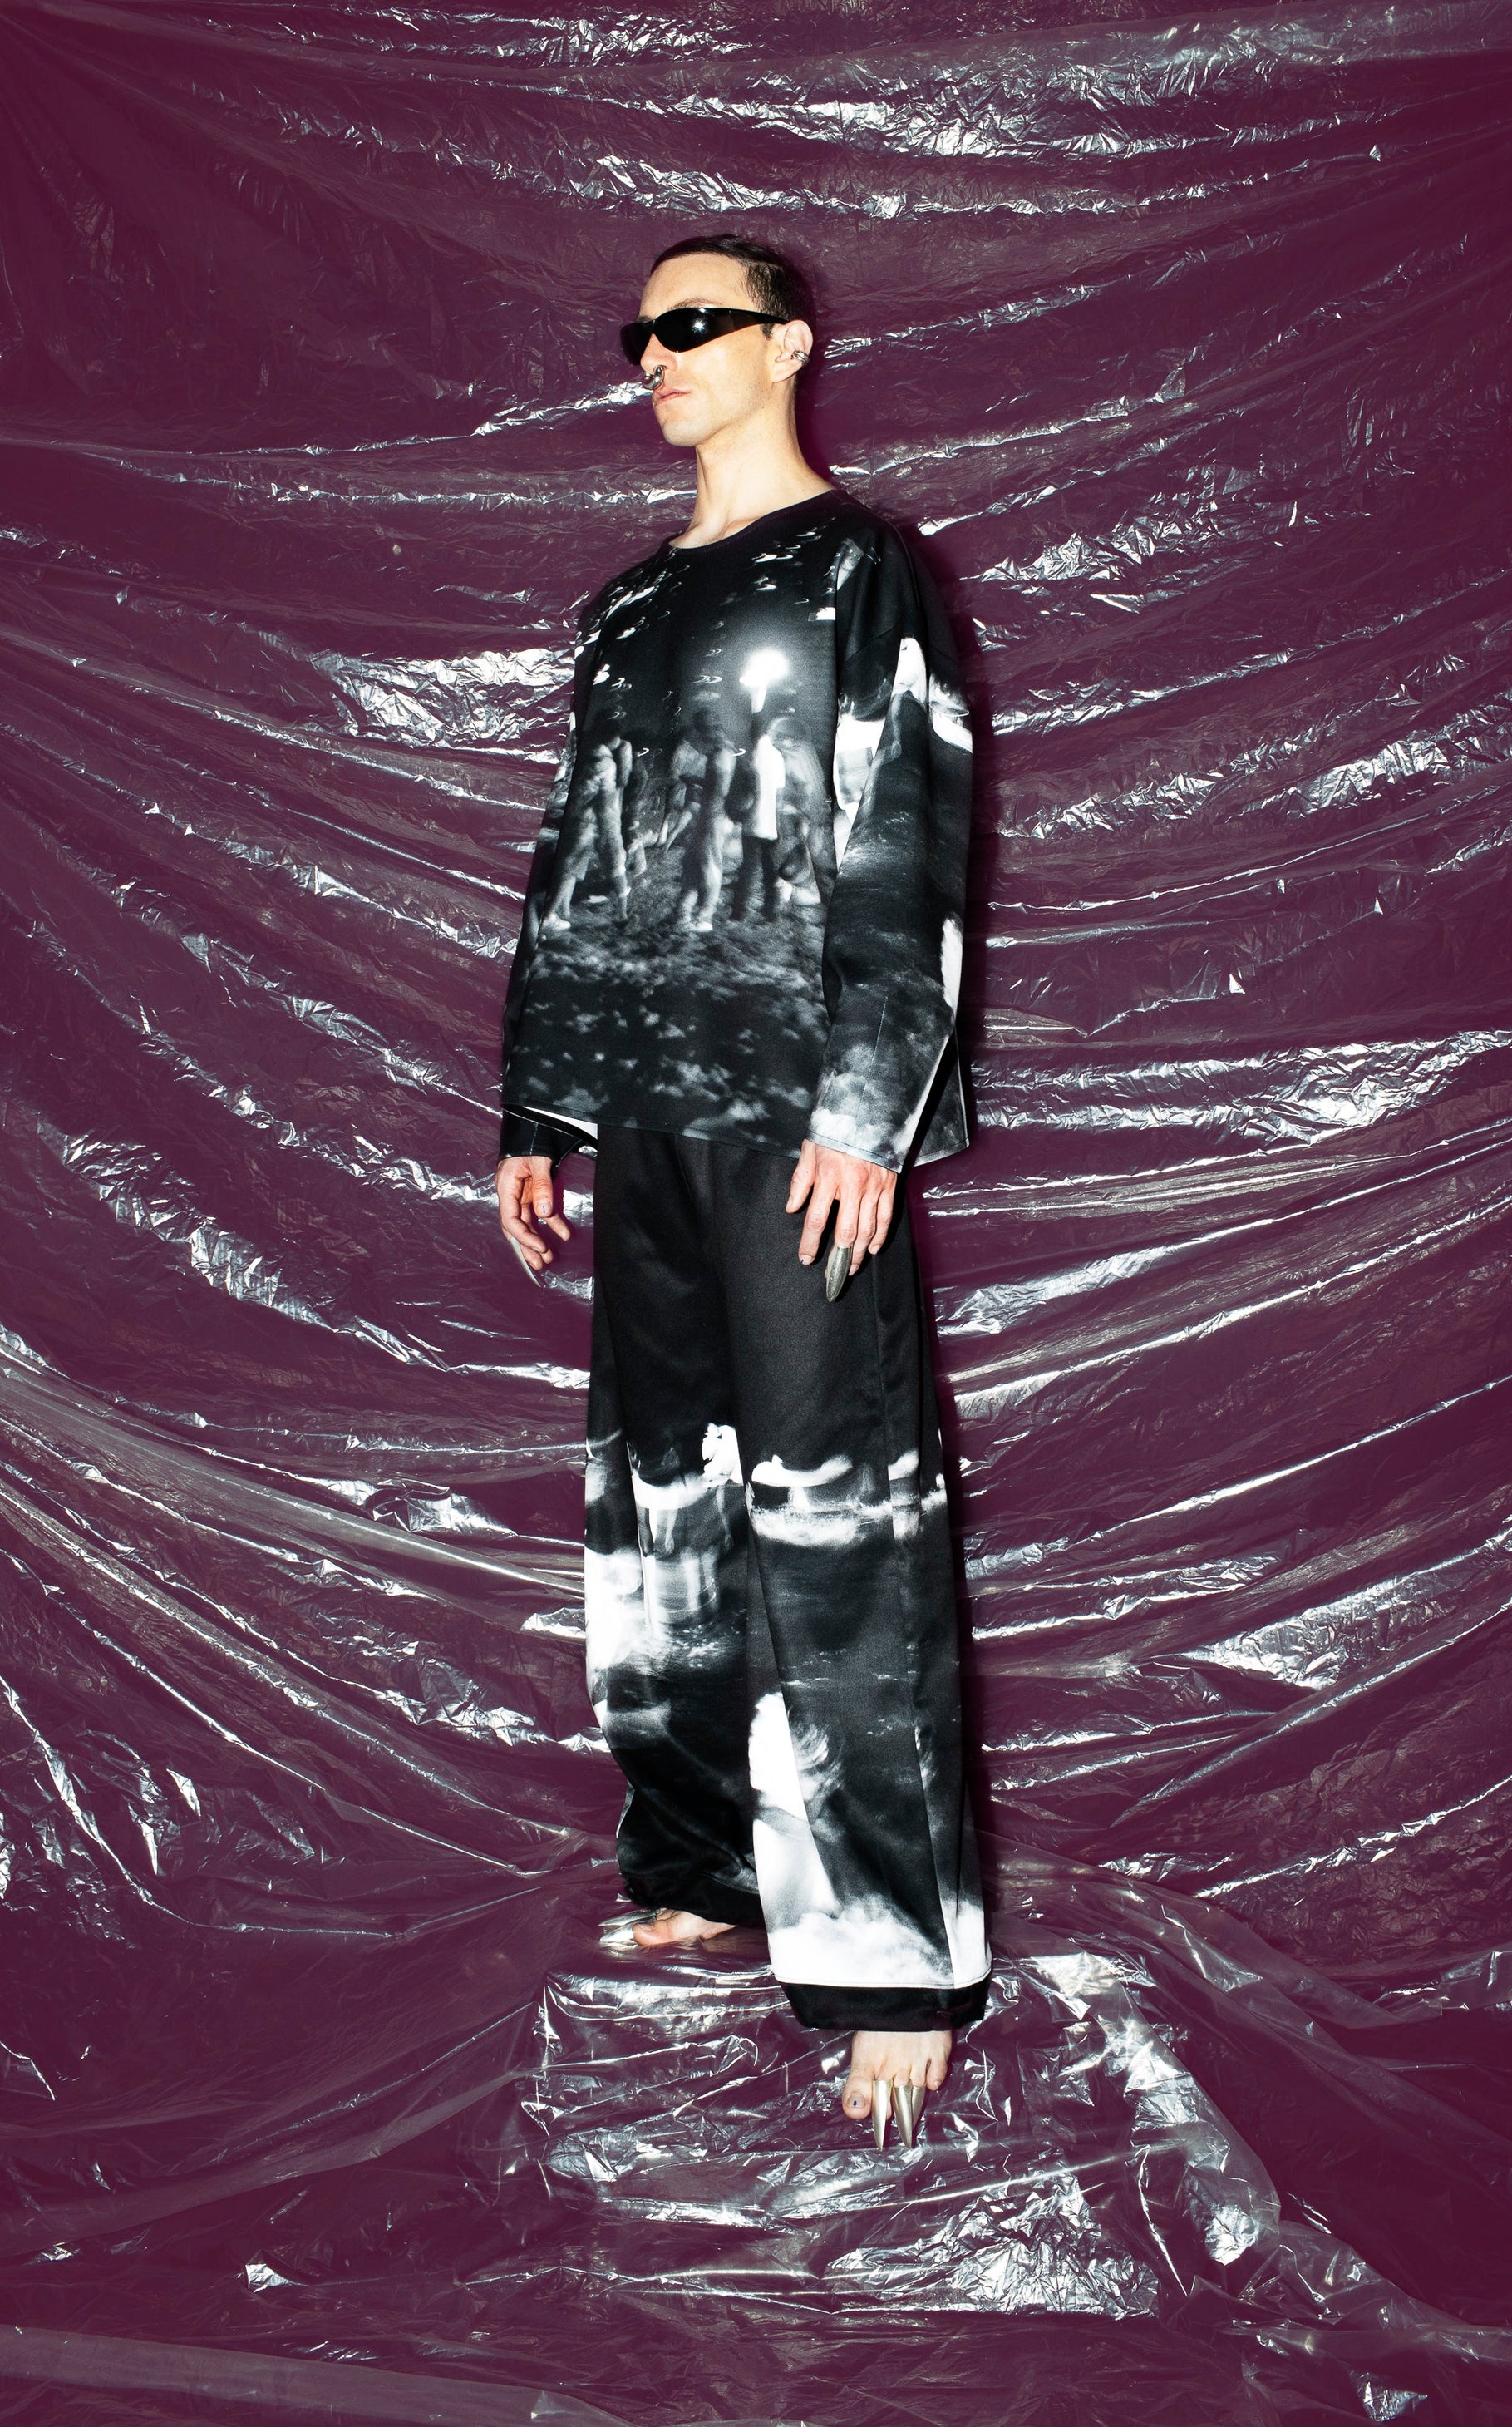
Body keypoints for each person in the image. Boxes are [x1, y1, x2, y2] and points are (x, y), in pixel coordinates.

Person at [495, 229, 987, 2148]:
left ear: (787, 344)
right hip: (641, 1114)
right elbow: (580, 855)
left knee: (836, 1507)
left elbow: (905, 830)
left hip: (794, 1116)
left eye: (695, 324)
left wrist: (864, 1110)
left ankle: (890, 1960)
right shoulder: (625, 605)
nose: (658, 354)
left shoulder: (864, 570)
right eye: (641, 332)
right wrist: (538, 1105)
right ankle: (695, 1862)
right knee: (664, 1502)